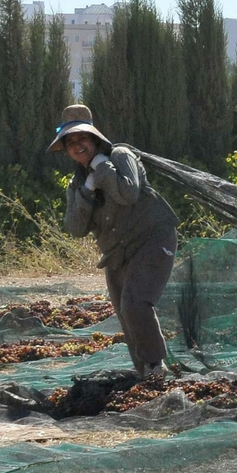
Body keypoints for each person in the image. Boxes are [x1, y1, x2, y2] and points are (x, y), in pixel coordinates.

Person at [49, 104, 179, 377]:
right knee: (123, 311)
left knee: (135, 302)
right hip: (117, 252)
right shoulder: (77, 184)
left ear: (94, 139)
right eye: (70, 142)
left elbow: (129, 194)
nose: (76, 145)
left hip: (151, 239)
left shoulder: (120, 156)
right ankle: (144, 371)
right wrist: (87, 190)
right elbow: (74, 228)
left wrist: (103, 170)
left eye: (81, 138)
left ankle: (156, 366)